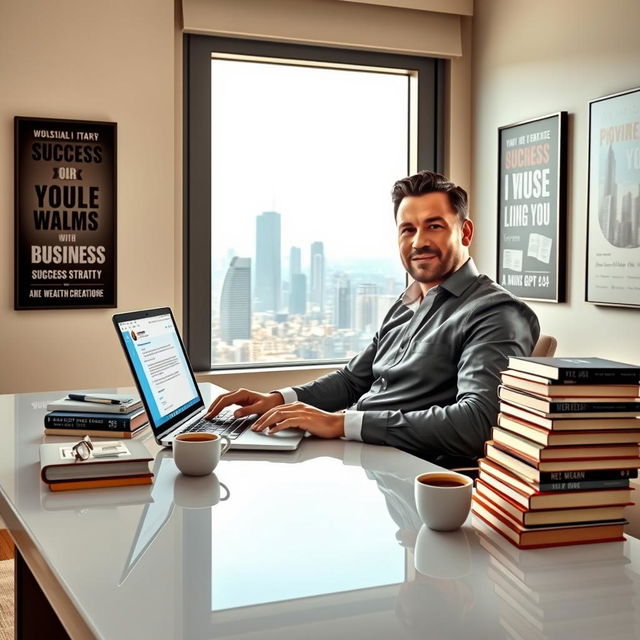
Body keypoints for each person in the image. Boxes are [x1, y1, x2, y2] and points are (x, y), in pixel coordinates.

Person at [206, 170, 540, 461]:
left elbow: (477, 422)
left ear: (465, 233)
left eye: (434, 226)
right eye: (407, 229)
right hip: (359, 454)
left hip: (407, 471)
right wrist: (278, 398)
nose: (418, 241)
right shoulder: (407, 302)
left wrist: (340, 424)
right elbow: (353, 380)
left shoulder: (496, 313)